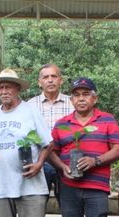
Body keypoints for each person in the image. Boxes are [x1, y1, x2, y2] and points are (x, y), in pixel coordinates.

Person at [0, 69, 53, 217]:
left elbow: (48, 143)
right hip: (3, 186)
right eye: (1, 88)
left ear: (17, 89)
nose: (4, 91)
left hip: (30, 185)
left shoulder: (30, 111)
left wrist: (38, 165)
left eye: (9, 87)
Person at [49, 77, 119, 217]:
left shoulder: (107, 119)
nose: (81, 98)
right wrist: (62, 167)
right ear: (71, 100)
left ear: (95, 98)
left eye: (86, 94)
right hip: (68, 186)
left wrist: (95, 161)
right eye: (76, 95)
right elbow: (51, 151)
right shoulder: (62, 123)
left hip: (96, 187)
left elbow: (118, 150)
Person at [28, 64, 74, 195]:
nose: (50, 80)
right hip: (40, 162)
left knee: (68, 203)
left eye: (54, 76)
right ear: (39, 82)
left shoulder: (72, 103)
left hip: (66, 160)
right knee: (38, 203)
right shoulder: (30, 106)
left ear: (61, 80)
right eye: (45, 77)